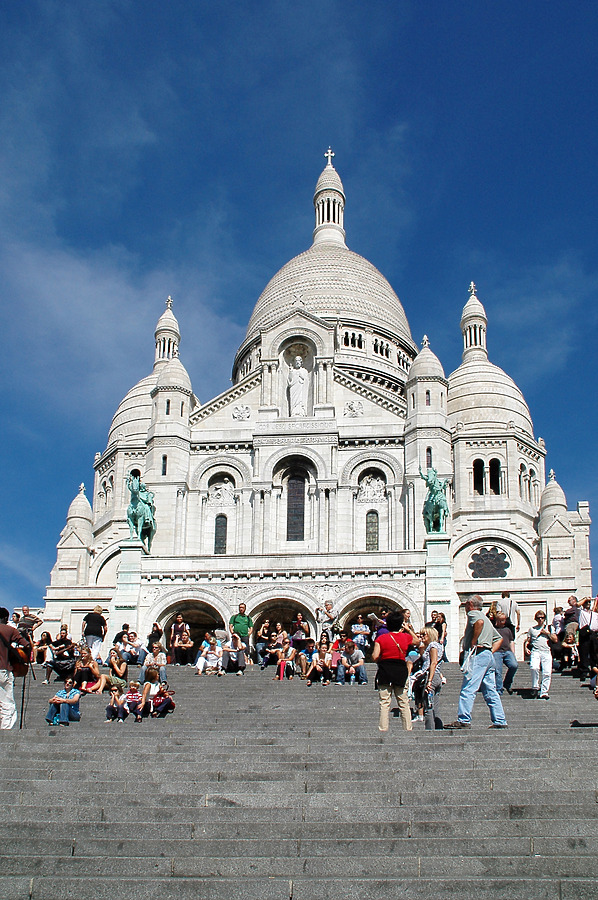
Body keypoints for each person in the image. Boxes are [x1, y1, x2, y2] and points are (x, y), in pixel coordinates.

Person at [446, 595, 508, 730]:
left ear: (470, 604)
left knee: (469, 687)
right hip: (487, 656)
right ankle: (500, 720)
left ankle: (464, 719)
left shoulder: (474, 614)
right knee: (490, 690)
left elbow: (478, 623)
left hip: (478, 654)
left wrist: (474, 641)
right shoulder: (486, 618)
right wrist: (489, 651)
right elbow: (499, 639)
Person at [371, 610, 413, 732]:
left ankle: (383, 729)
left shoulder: (381, 638)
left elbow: (374, 656)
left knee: (384, 702)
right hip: (400, 670)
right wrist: (408, 629)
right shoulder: (405, 637)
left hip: (385, 670)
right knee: (403, 701)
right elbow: (417, 641)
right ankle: (408, 728)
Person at [0, 606, 30, 729]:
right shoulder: (10, 630)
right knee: (7, 701)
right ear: (5, 618)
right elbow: (26, 645)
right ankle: (6, 728)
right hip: (3, 669)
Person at [416, 626, 444, 730]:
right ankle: (438, 728)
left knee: (428, 706)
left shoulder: (433, 646)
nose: (422, 637)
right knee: (434, 706)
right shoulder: (436, 646)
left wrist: (429, 681)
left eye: (424, 635)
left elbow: (433, 663)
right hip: (435, 676)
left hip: (430, 676)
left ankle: (430, 730)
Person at [525, 611, 557, 699]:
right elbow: (528, 640)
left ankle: (544, 692)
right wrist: (526, 648)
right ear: (535, 619)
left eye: (542, 617)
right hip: (536, 651)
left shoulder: (549, 628)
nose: (540, 619)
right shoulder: (532, 629)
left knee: (547, 672)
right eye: (538, 618)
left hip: (546, 651)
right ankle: (535, 687)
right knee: (534, 667)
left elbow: (555, 639)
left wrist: (547, 633)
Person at [492, 612, 518, 695]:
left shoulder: (507, 630)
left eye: (503, 620)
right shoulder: (493, 629)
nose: (501, 622)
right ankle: (499, 689)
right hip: (497, 652)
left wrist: (513, 653)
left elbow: (511, 641)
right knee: (497, 670)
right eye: (500, 620)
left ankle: (507, 683)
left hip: (507, 651)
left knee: (514, 665)